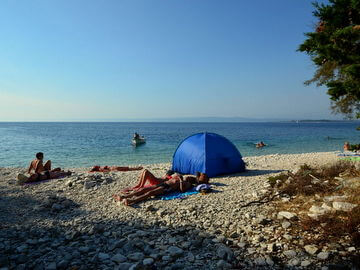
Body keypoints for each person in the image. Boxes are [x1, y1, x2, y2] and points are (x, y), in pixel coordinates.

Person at [113, 176, 197, 206]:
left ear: (191, 180)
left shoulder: (188, 184)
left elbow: (182, 191)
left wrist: (181, 181)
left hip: (167, 188)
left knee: (149, 193)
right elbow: (170, 178)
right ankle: (124, 197)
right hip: (164, 184)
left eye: (189, 177)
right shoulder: (181, 177)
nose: (188, 177)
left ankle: (132, 201)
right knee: (143, 189)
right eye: (188, 176)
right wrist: (178, 177)